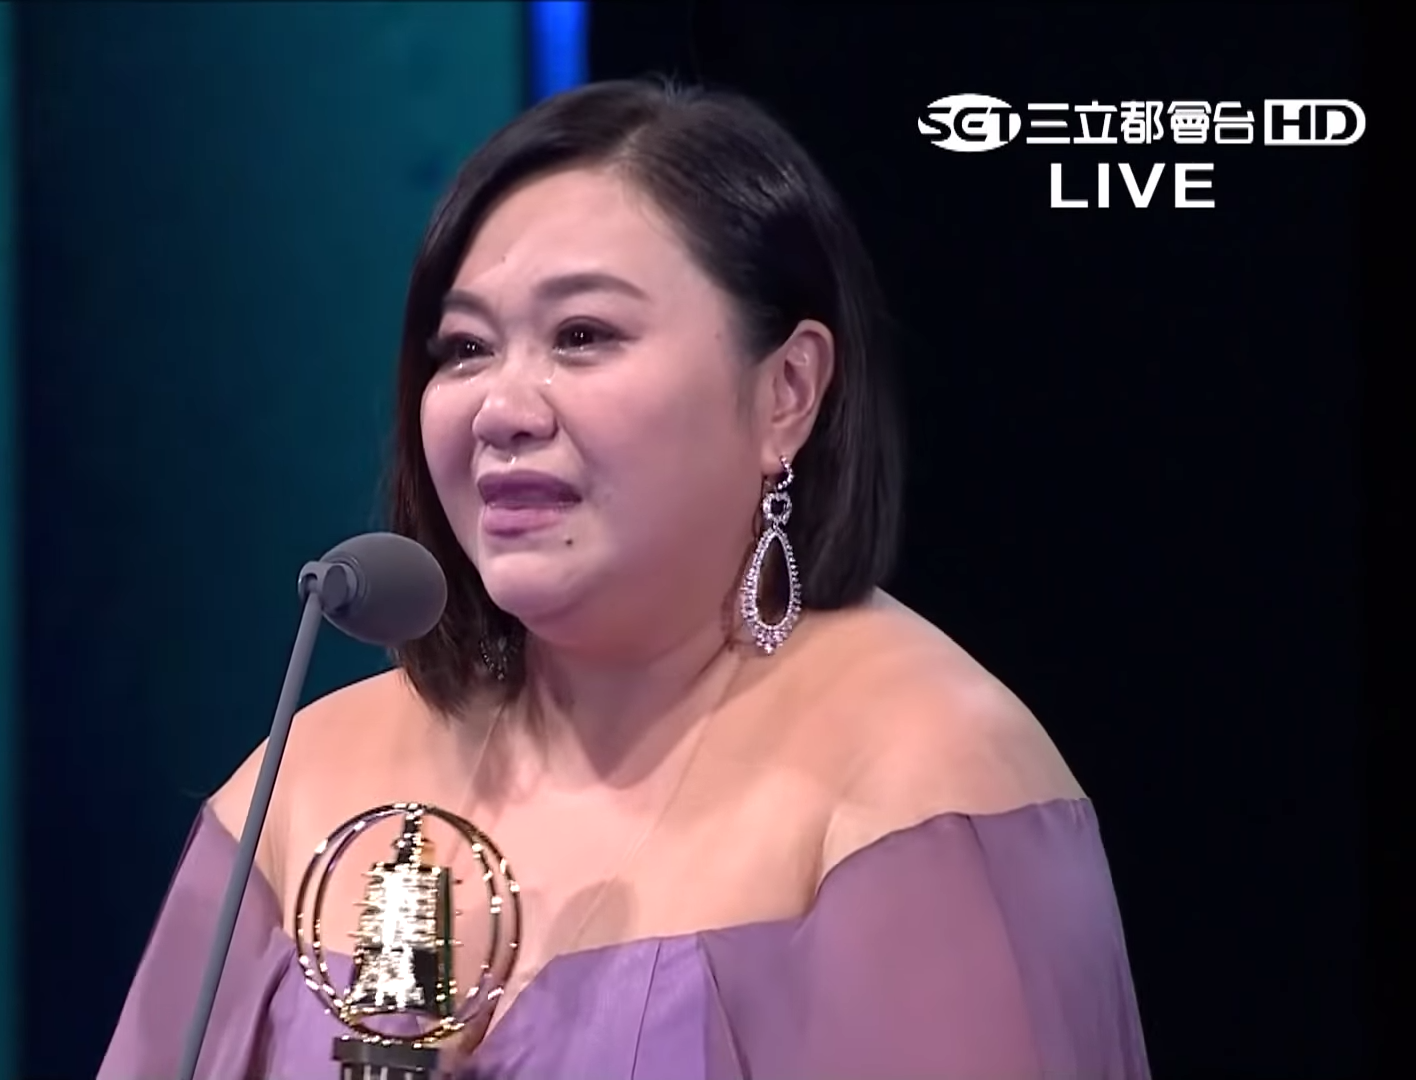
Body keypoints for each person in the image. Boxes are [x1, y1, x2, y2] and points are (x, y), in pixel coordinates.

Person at [99, 77, 1151, 1080]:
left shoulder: (920, 777)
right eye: (464, 349)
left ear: (786, 392)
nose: (501, 409)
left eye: (582, 336)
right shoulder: (307, 784)